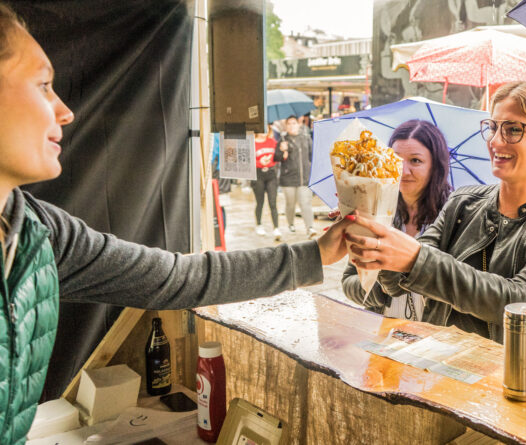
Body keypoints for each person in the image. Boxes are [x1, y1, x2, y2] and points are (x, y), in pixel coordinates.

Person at [0, 4, 351, 441]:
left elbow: (178, 277)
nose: (65, 111)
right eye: (43, 85)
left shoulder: (40, 234)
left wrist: (316, 254)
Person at [345, 81, 526, 368]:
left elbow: (518, 300)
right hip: (444, 369)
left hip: (522, 375)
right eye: (493, 127)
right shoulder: (463, 202)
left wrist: (416, 260)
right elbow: (397, 282)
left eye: (513, 130)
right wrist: (374, 221)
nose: (495, 141)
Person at [341, 120, 451, 318]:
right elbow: (349, 281)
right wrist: (380, 287)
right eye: (395, 160)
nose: (403, 170)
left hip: (435, 337)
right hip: (386, 333)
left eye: (415, 161)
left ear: (435, 166)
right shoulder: (376, 211)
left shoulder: (454, 216)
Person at [279, 115, 317, 238]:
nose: (291, 126)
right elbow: (276, 158)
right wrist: (281, 151)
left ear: (298, 124)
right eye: (289, 124)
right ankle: (290, 224)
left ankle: (310, 228)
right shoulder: (283, 139)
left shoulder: (306, 138)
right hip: (288, 178)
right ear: (286, 126)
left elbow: (313, 156)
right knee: (290, 204)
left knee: (305, 203)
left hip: (304, 178)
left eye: (294, 123)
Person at [252, 127, 287, 240]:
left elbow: (278, 157)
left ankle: (276, 228)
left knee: (273, 202)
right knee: (260, 202)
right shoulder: (251, 143)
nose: (264, 131)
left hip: (271, 174)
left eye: (266, 128)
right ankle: (259, 224)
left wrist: (283, 151)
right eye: (262, 128)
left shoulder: (272, 141)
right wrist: (259, 162)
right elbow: (247, 161)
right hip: (258, 175)